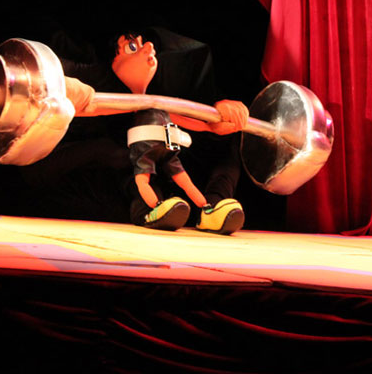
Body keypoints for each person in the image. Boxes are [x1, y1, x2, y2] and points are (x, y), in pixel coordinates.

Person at [23, 26, 249, 234]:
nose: (148, 48)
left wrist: (212, 124)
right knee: (127, 163)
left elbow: (179, 117)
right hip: (87, 167)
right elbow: (82, 102)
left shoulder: (156, 99)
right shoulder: (97, 81)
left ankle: (211, 209)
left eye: (147, 45)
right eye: (132, 47)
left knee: (188, 169)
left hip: (154, 155)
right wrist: (64, 91)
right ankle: (150, 210)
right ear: (114, 59)